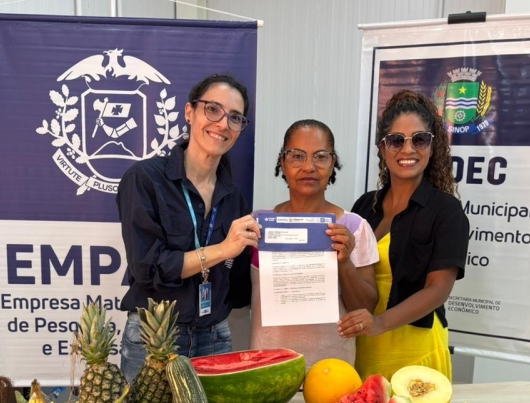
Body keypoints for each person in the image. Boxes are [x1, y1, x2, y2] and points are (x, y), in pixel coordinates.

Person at [117, 74, 260, 383]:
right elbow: (148, 269)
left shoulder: (234, 198)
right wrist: (222, 250)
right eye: (213, 109)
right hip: (155, 339)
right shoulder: (144, 179)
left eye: (235, 117)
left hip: (215, 337)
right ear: (189, 112)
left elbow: (237, 289)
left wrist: (283, 259)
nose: (223, 124)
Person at [338, 90, 469, 381]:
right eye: (396, 140)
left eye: (419, 139)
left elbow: (438, 289)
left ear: (432, 147)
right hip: (365, 347)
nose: (407, 150)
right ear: (383, 148)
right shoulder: (364, 207)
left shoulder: (446, 210)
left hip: (417, 351)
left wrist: (380, 323)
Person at [250, 119, 379, 370]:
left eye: (320, 157)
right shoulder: (257, 227)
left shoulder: (354, 227)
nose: (309, 167)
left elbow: (366, 308)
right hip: (267, 369)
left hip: (331, 370)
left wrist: (344, 263)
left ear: (333, 164)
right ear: (283, 162)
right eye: (297, 156)